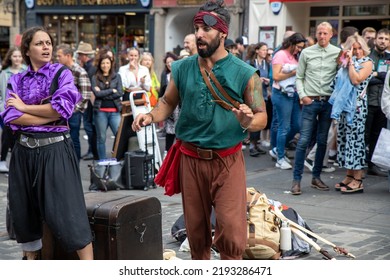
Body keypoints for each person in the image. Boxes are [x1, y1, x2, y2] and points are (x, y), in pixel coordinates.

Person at [132, 0, 267, 260]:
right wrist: (150, 115)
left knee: (231, 233)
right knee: (195, 233)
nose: (199, 34)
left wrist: (247, 121)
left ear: (223, 33)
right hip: (190, 159)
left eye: (206, 29)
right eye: (197, 28)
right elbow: (168, 102)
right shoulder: (182, 68)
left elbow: (261, 117)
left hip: (227, 161)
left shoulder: (246, 73)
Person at [0, 26, 93, 260]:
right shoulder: (16, 79)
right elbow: (11, 118)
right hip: (23, 151)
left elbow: (64, 109)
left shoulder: (62, 73)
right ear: (27, 49)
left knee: (69, 212)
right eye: (40, 43)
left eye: (49, 43)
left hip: (55, 150)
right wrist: (47, 113)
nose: (46, 47)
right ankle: (31, 265)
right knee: (24, 213)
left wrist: (24, 107)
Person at [291, 22, 340, 195]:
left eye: (325, 33)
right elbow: (299, 77)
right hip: (310, 101)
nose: (321, 36)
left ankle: (316, 177)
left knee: (322, 141)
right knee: (303, 140)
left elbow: (341, 76)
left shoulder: (337, 53)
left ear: (331, 35)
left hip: (328, 102)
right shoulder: (306, 52)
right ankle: (296, 180)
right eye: (319, 33)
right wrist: (303, 96)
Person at [331, 35, 373, 193]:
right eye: (353, 49)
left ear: (364, 48)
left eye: (359, 48)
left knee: (356, 143)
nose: (356, 52)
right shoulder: (345, 62)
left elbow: (356, 80)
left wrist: (350, 64)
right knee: (344, 141)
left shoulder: (367, 63)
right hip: (344, 107)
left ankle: (358, 179)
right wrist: (346, 60)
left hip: (357, 108)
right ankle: (349, 175)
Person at [271, 33, 306, 170]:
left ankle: (277, 149)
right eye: (298, 47)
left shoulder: (294, 56)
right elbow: (276, 76)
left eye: (301, 47)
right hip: (281, 93)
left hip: (292, 94)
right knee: (283, 127)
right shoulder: (281, 54)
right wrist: (294, 72)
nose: (299, 50)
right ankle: (279, 158)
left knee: (297, 125)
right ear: (291, 44)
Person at [55, 43, 92, 161]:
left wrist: (73, 109)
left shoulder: (79, 71)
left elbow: (85, 94)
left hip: (73, 112)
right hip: (59, 111)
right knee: (61, 139)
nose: (57, 58)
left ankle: (75, 163)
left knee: (74, 138)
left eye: (59, 56)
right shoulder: (59, 70)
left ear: (68, 56)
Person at [365, 28, 390, 177]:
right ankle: (359, 165)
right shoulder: (368, 56)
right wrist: (380, 76)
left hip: (383, 102)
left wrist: (377, 74)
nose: (383, 41)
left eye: (386, 39)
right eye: (380, 38)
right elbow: (365, 77)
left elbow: (387, 77)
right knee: (365, 135)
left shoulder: (389, 57)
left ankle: (372, 165)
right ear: (375, 40)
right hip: (369, 101)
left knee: (377, 135)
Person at [91, 52, 123, 160]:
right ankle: (102, 161)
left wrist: (103, 92)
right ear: (100, 64)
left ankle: (117, 158)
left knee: (119, 136)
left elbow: (119, 93)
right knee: (101, 138)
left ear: (111, 64)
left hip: (115, 111)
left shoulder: (117, 77)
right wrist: (110, 91)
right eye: (103, 63)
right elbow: (97, 94)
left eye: (107, 63)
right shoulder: (95, 78)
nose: (105, 65)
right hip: (100, 112)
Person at [0, 46, 27, 173]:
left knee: (21, 137)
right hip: (8, 111)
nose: (17, 59)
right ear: (10, 57)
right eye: (15, 56)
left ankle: (21, 163)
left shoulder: (27, 71)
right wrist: (2, 108)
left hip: (25, 110)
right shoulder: (4, 74)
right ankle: (4, 161)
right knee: (7, 136)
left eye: (19, 56)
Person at [246, 42, 270, 156]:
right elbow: (245, 77)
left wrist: (267, 81)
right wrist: (256, 80)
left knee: (261, 120)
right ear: (257, 51)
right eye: (263, 50)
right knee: (254, 120)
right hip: (252, 96)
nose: (265, 52)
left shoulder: (267, 64)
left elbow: (270, 77)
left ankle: (256, 144)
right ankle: (252, 145)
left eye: (266, 50)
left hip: (263, 94)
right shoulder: (250, 63)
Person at [76, 41, 98, 160]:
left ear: (85, 55)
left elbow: (90, 88)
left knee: (90, 127)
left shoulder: (90, 67)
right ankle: (92, 151)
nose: (79, 57)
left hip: (90, 101)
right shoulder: (88, 66)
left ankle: (92, 151)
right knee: (90, 127)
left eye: (80, 55)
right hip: (90, 101)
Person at [159, 52, 179, 155]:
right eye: (167, 63)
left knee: (180, 134)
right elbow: (161, 93)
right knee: (170, 133)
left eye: (171, 62)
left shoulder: (180, 73)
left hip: (180, 108)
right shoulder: (165, 75)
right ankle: (167, 156)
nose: (170, 64)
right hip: (170, 108)